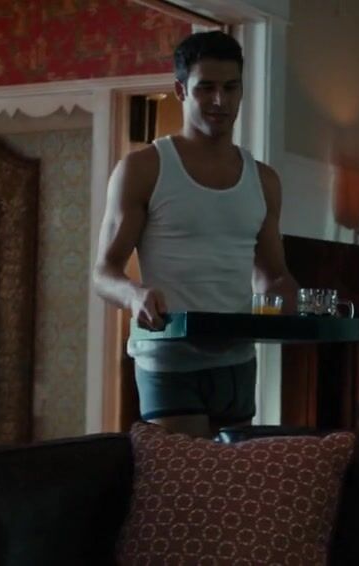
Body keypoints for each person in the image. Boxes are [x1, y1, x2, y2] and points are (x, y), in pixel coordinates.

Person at [91, 31, 297, 439]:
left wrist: (300, 305)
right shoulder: (144, 168)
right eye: (206, 88)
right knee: (186, 472)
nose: (220, 100)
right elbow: (104, 272)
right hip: (169, 357)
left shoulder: (264, 180)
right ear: (181, 90)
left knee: (230, 475)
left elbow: (272, 275)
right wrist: (134, 295)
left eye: (231, 87)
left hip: (238, 357)